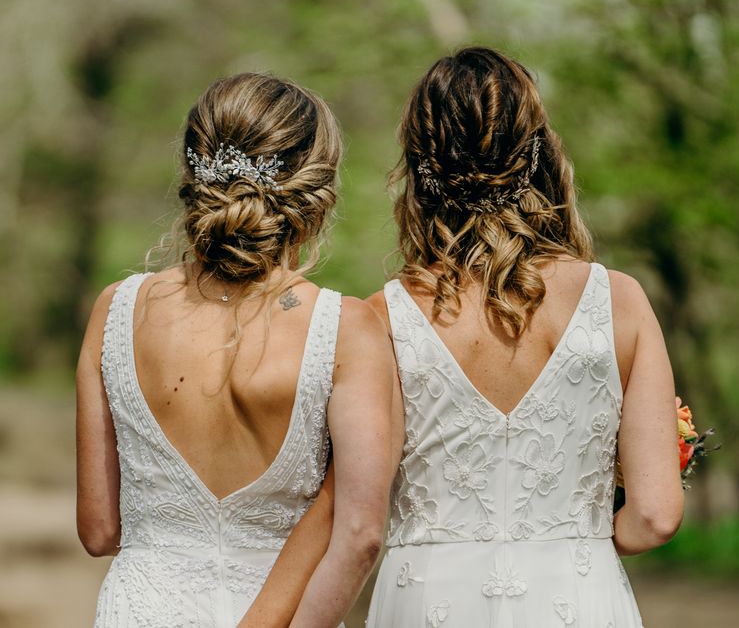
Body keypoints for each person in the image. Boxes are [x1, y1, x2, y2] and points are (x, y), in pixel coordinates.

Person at [362, 47, 684, 626]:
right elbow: (656, 516)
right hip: (576, 595)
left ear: (419, 168)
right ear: (539, 155)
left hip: (429, 600)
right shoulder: (621, 301)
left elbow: (360, 509)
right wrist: (572, 539)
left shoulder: (380, 319)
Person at [76, 72, 393, 628]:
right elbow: (360, 528)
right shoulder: (345, 329)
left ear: (193, 174)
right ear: (316, 188)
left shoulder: (117, 310)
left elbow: (100, 529)